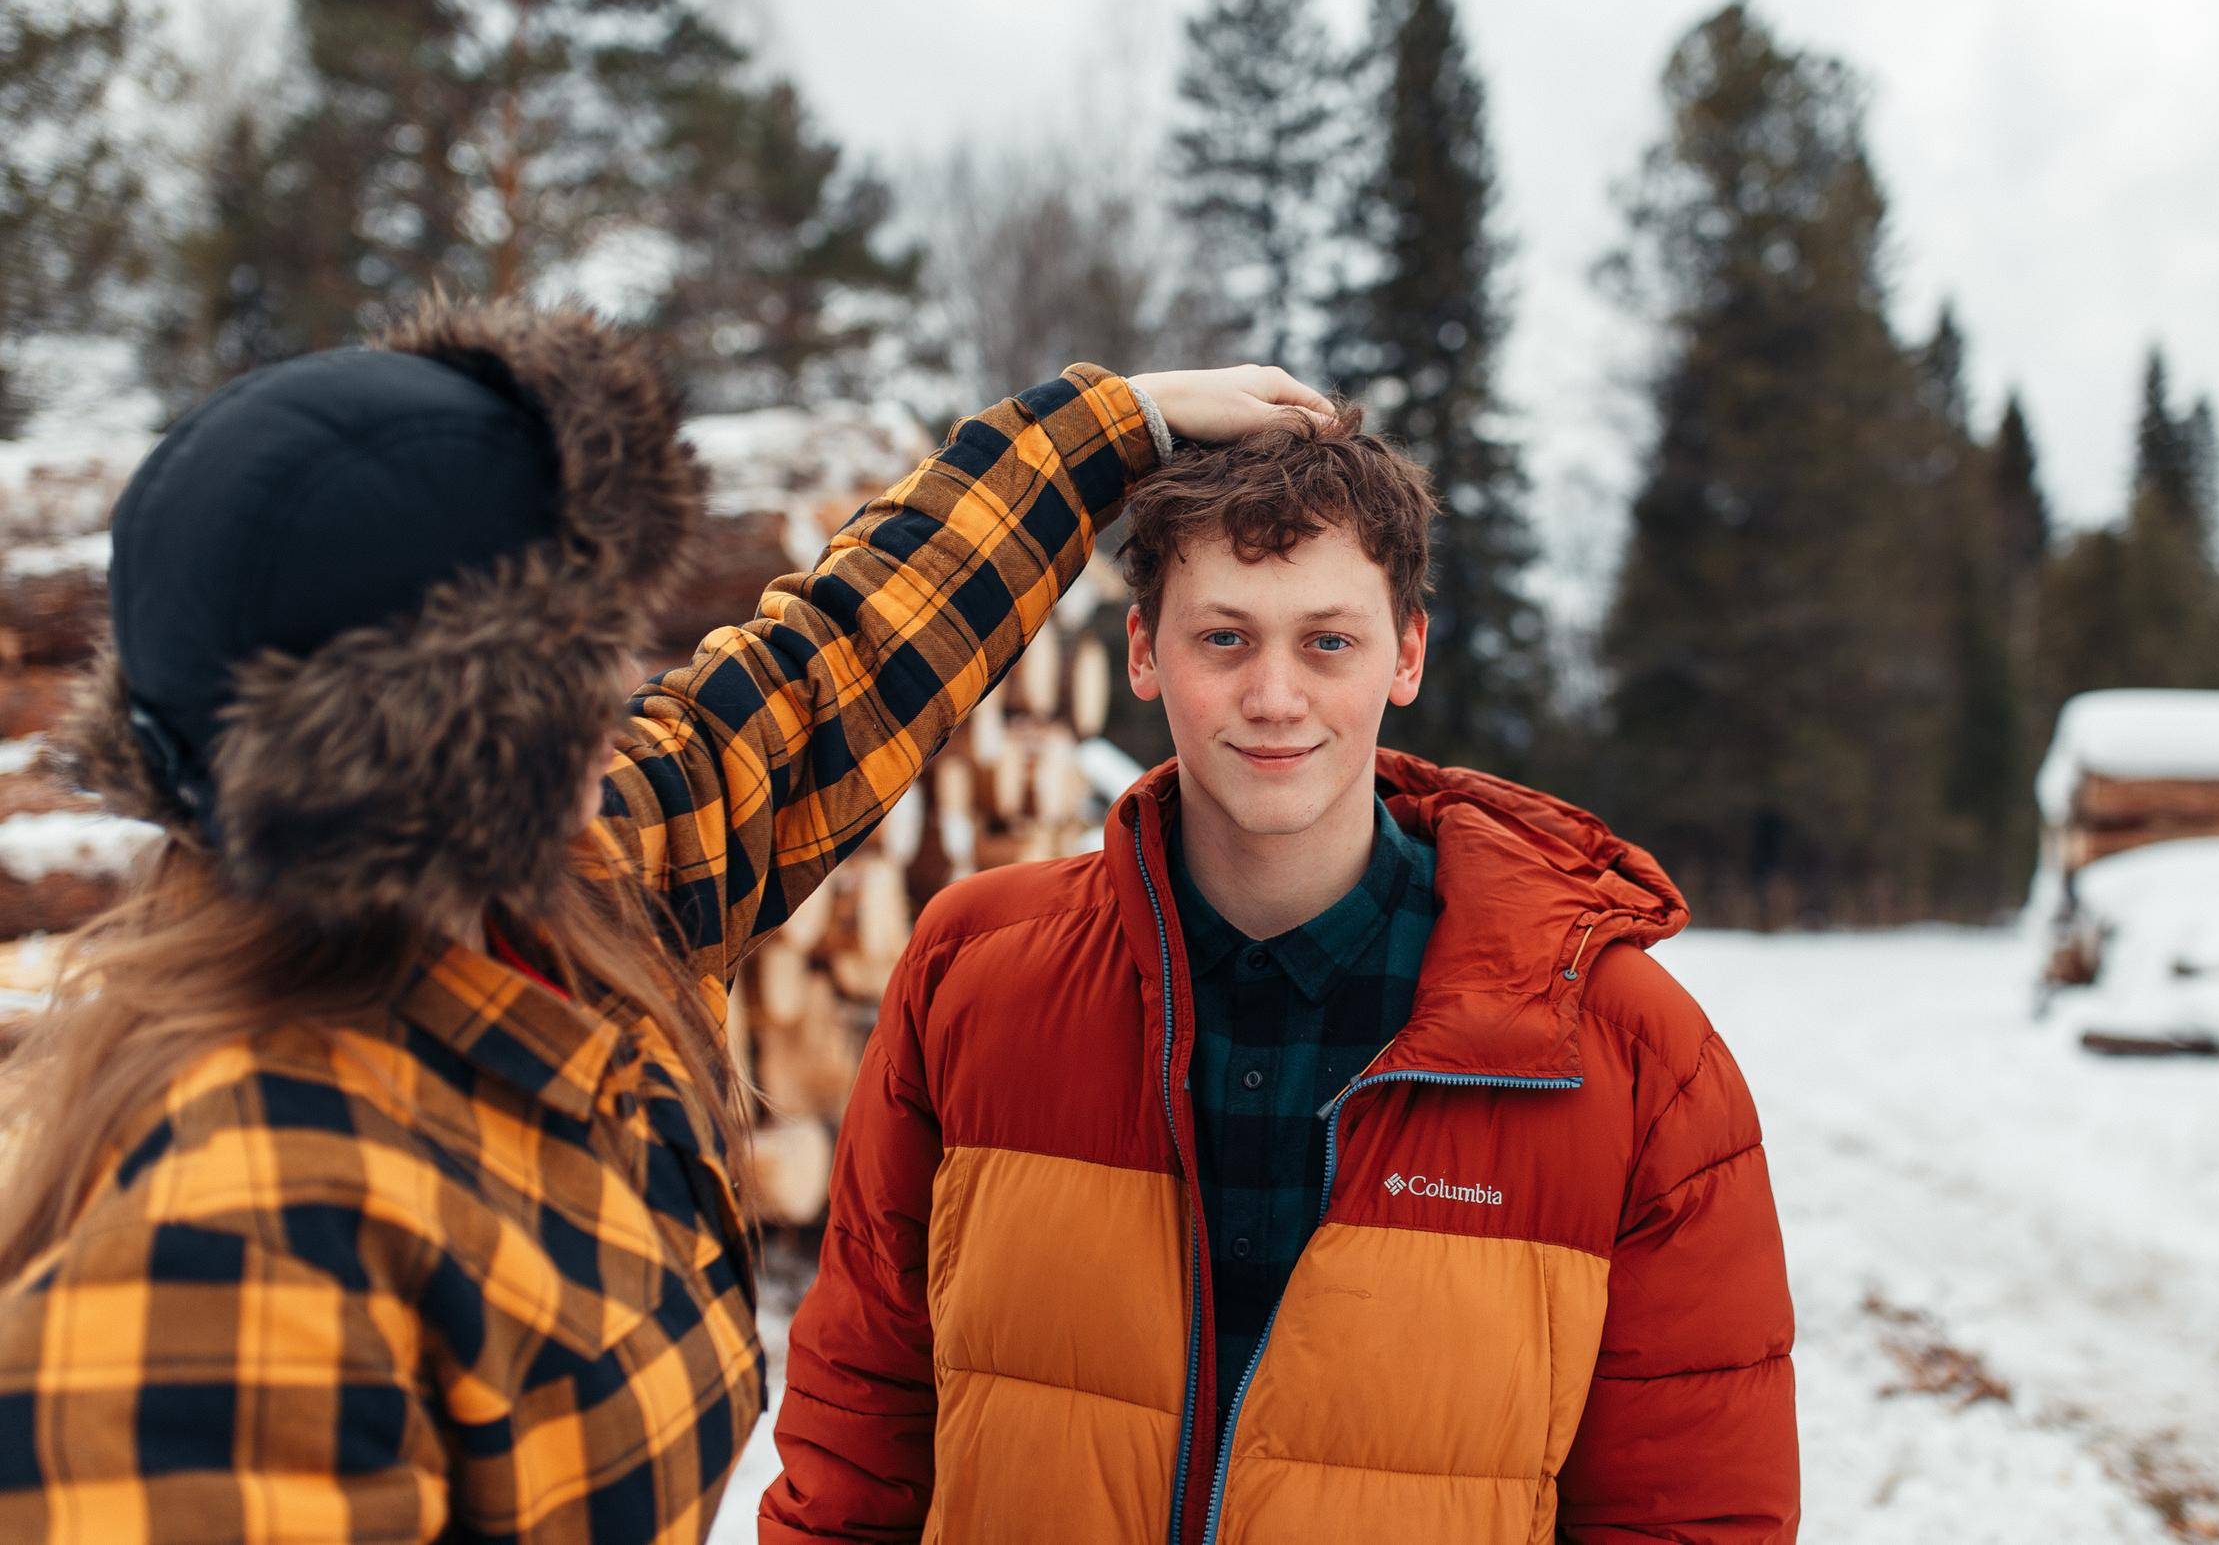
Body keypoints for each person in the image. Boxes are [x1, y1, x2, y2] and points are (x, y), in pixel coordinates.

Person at [0, 295, 1326, 1543]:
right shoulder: (219, 1248)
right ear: (398, 766)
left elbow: (817, 682)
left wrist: (1102, 436)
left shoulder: (568, 893)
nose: (618, 693)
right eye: (551, 675)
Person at [762, 410, 1800, 1544]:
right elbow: (859, 1424)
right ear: (1144, 654)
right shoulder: (972, 974)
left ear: (1405, 653)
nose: (1272, 697)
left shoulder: (1629, 1054)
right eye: (1223, 639)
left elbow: (1690, 1516)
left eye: (1327, 642)